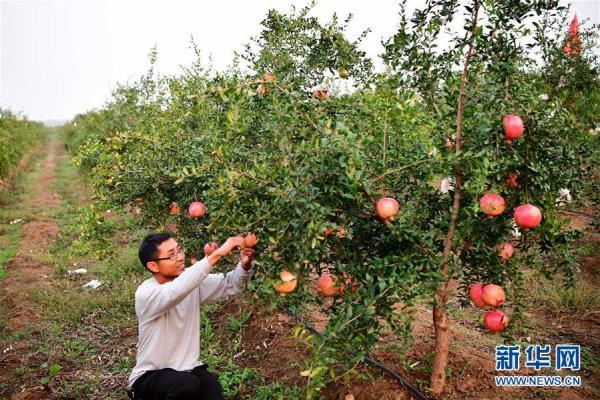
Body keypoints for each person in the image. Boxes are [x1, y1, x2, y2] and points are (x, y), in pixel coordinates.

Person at [127, 232, 255, 400]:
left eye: (179, 250)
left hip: (188, 371)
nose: (180, 257)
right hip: (149, 378)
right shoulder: (146, 294)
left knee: (210, 386)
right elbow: (176, 290)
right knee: (185, 385)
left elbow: (230, 284)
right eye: (171, 255)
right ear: (153, 266)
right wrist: (217, 254)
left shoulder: (189, 281)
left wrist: (245, 265)